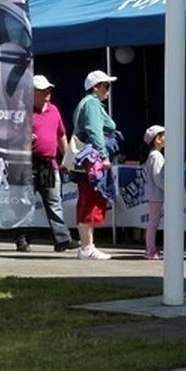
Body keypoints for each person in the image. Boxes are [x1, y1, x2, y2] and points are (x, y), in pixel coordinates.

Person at [16, 75, 75, 253]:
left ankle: (62, 239)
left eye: (49, 90)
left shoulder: (54, 110)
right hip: (28, 163)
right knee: (25, 203)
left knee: (54, 202)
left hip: (49, 163)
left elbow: (61, 135)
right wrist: (24, 138)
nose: (48, 93)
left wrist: (67, 159)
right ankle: (22, 239)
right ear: (32, 92)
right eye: (43, 90)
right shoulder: (23, 111)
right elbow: (12, 137)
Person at [71, 70, 119, 260]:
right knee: (91, 198)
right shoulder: (91, 104)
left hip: (88, 160)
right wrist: (104, 156)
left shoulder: (88, 103)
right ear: (96, 87)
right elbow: (95, 131)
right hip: (92, 161)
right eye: (106, 85)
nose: (109, 90)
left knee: (87, 198)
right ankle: (87, 247)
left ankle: (87, 246)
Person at [142, 125, 166, 260]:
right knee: (153, 222)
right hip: (156, 194)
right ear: (157, 139)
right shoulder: (156, 156)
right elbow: (158, 177)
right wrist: (167, 189)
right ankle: (150, 249)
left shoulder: (153, 155)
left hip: (154, 194)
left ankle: (150, 248)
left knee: (153, 222)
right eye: (164, 135)